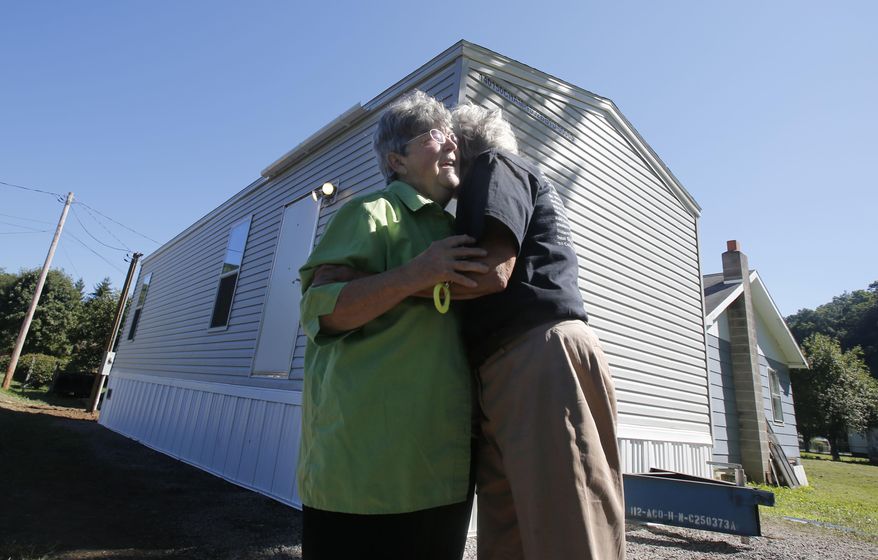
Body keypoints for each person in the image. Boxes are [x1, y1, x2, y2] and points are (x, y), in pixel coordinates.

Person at [296, 90, 486, 560]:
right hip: (363, 472)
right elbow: (323, 308)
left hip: (441, 468)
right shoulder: (371, 213)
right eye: (432, 136)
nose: (449, 144)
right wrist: (415, 274)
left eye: (452, 137)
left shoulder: (457, 230)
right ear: (396, 161)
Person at [451, 103, 627, 560]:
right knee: (511, 532)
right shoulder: (522, 178)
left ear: (462, 148)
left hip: (535, 357)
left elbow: (493, 272)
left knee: (569, 528)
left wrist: (399, 287)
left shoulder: (494, 165)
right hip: (524, 360)